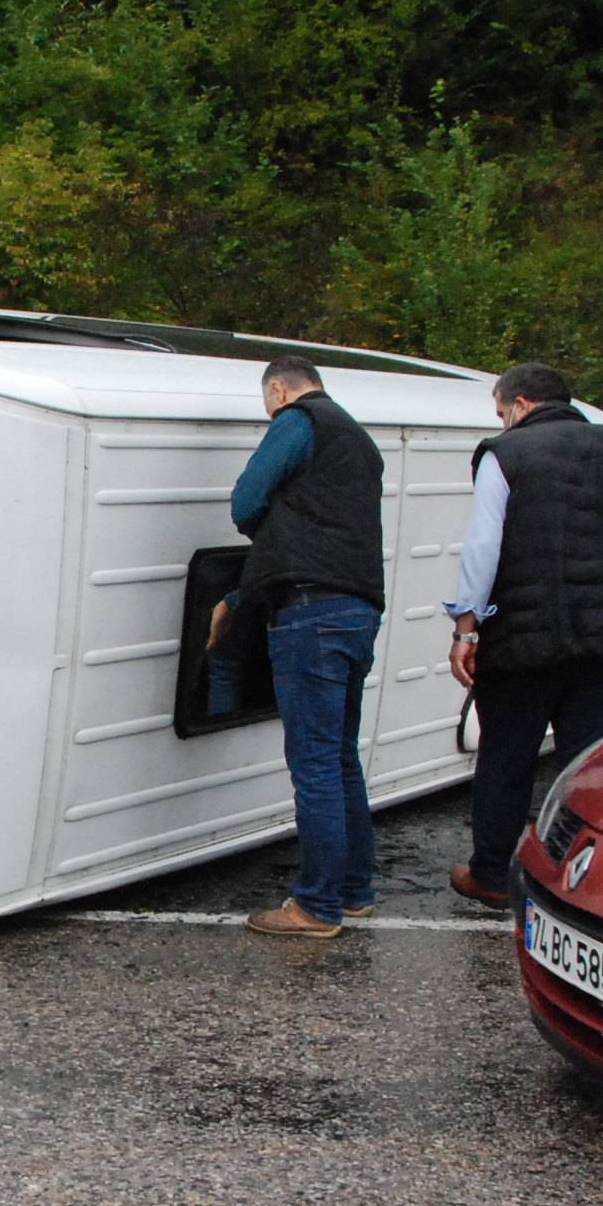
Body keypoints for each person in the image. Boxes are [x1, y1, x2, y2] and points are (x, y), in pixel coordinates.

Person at [445, 361, 603, 909]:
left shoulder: (505, 454)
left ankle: (491, 873)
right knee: (586, 761)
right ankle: (579, 876)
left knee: (506, 756)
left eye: (501, 411)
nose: (501, 421)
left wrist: (466, 625)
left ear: (519, 404)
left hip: (522, 640)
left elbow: (483, 547)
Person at [206, 355, 387, 937]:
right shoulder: (359, 441)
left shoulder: (298, 421)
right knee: (339, 759)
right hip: (358, 613)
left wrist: (262, 539)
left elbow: (244, 501)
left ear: (279, 391)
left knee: (312, 765)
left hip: (308, 616)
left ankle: (316, 906)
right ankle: (354, 891)